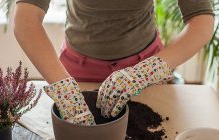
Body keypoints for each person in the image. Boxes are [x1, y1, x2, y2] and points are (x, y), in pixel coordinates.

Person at [13, 0, 214, 125]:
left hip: (145, 68)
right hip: (76, 71)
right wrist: (63, 87)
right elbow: (26, 22)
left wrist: (147, 71)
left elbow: (202, 22)